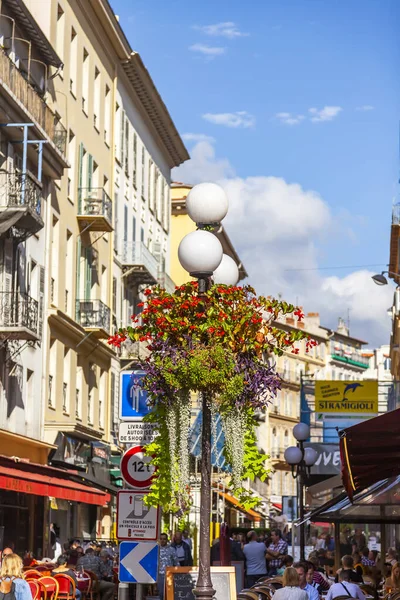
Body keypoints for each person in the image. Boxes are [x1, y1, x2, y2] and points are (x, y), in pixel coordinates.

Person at [158, 533, 178, 600]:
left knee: (169, 593)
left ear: (167, 540)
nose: (162, 540)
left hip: (169, 575)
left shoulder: (172, 549)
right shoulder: (156, 549)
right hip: (160, 575)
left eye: (164, 539)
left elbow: (176, 562)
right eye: (161, 539)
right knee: (161, 593)